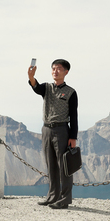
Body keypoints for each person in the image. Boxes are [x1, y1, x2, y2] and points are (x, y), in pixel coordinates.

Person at [28, 59, 78, 209]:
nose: (55, 71)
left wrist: (73, 137)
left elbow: (74, 116)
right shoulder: (47, 88)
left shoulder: (71, 92)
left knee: (64, 166)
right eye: (53, 68)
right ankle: (52, 196)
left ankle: (64, 199)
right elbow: (36, 87)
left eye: (59, 69)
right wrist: (31, 76)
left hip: (62, 130)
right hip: (46, 130)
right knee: (51, 165)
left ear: (66, 72)